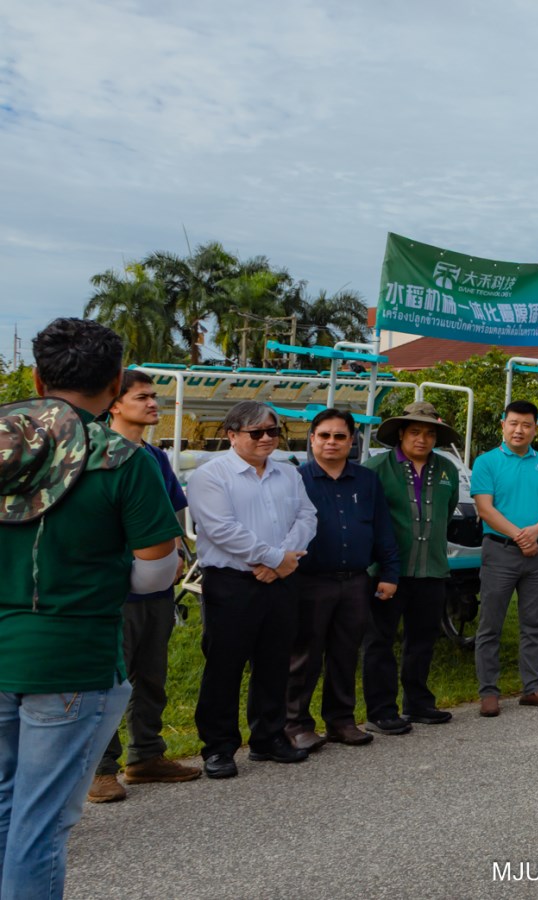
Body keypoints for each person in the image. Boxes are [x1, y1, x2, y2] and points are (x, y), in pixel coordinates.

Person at [0, 318, 181, 896]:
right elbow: (156, 569)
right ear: (112, 385)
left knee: (4, 803)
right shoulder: (122, 459)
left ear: (35, 375)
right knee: (41, 822)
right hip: (75, 657)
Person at [186, 400, 318, 776]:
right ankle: (219, 747)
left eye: (272, 431)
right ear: (232, 435)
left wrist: (282, 563)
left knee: (275, 662)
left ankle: (269, 737)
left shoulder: (288, 473)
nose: (266, 439)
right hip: (231, 582)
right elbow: (222, 529)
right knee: (224, 665)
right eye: (256, 432)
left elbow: (307, 516)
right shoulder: (211, 475)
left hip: (281, 581)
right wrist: (277, 558)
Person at [88, 369, 199, 804]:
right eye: (142, 397)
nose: (154, 404)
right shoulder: (94, 454)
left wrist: (178, 555)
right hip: (114, 591)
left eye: (155, 396)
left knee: (150, 677)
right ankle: (100, 769)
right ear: (114, 402)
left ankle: (146, 756)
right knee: (109, 682)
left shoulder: (155, 458)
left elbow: (170, 517)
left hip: (157, 590)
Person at [286, 408, 399, 751]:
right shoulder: (295, 480)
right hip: (310, 581)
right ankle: (296, 724)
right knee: (304, 656)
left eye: (339, 436)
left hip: (355, 582)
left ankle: (341, 721)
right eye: (324, 435)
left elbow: (383, 530)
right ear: (312, 439)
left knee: (346, 653)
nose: (331, 442)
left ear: (352, 441)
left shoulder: (366, 481)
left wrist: (390, 573)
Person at [361, 401, 461, 734]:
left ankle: (418, 703)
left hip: (432, 570)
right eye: (415, 432)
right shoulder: (377, 467)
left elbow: (445, 516)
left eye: (430, 433)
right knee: (380, 641)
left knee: (422, 640)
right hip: (388, 572)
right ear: (401, 433)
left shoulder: (446, 470)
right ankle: (381, 710)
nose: (422, 439)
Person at [471, 400, 538, 715]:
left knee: (533, 624)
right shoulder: (486, 462)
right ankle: (488, 692)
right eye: (513, 423)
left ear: (535, 429)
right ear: (503, 425)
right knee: (490, 624)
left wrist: (535, 532)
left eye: (526, 424)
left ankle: (531, 687)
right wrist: (520, 536)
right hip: (500, 551)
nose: (519, 430)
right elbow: (485, 508)